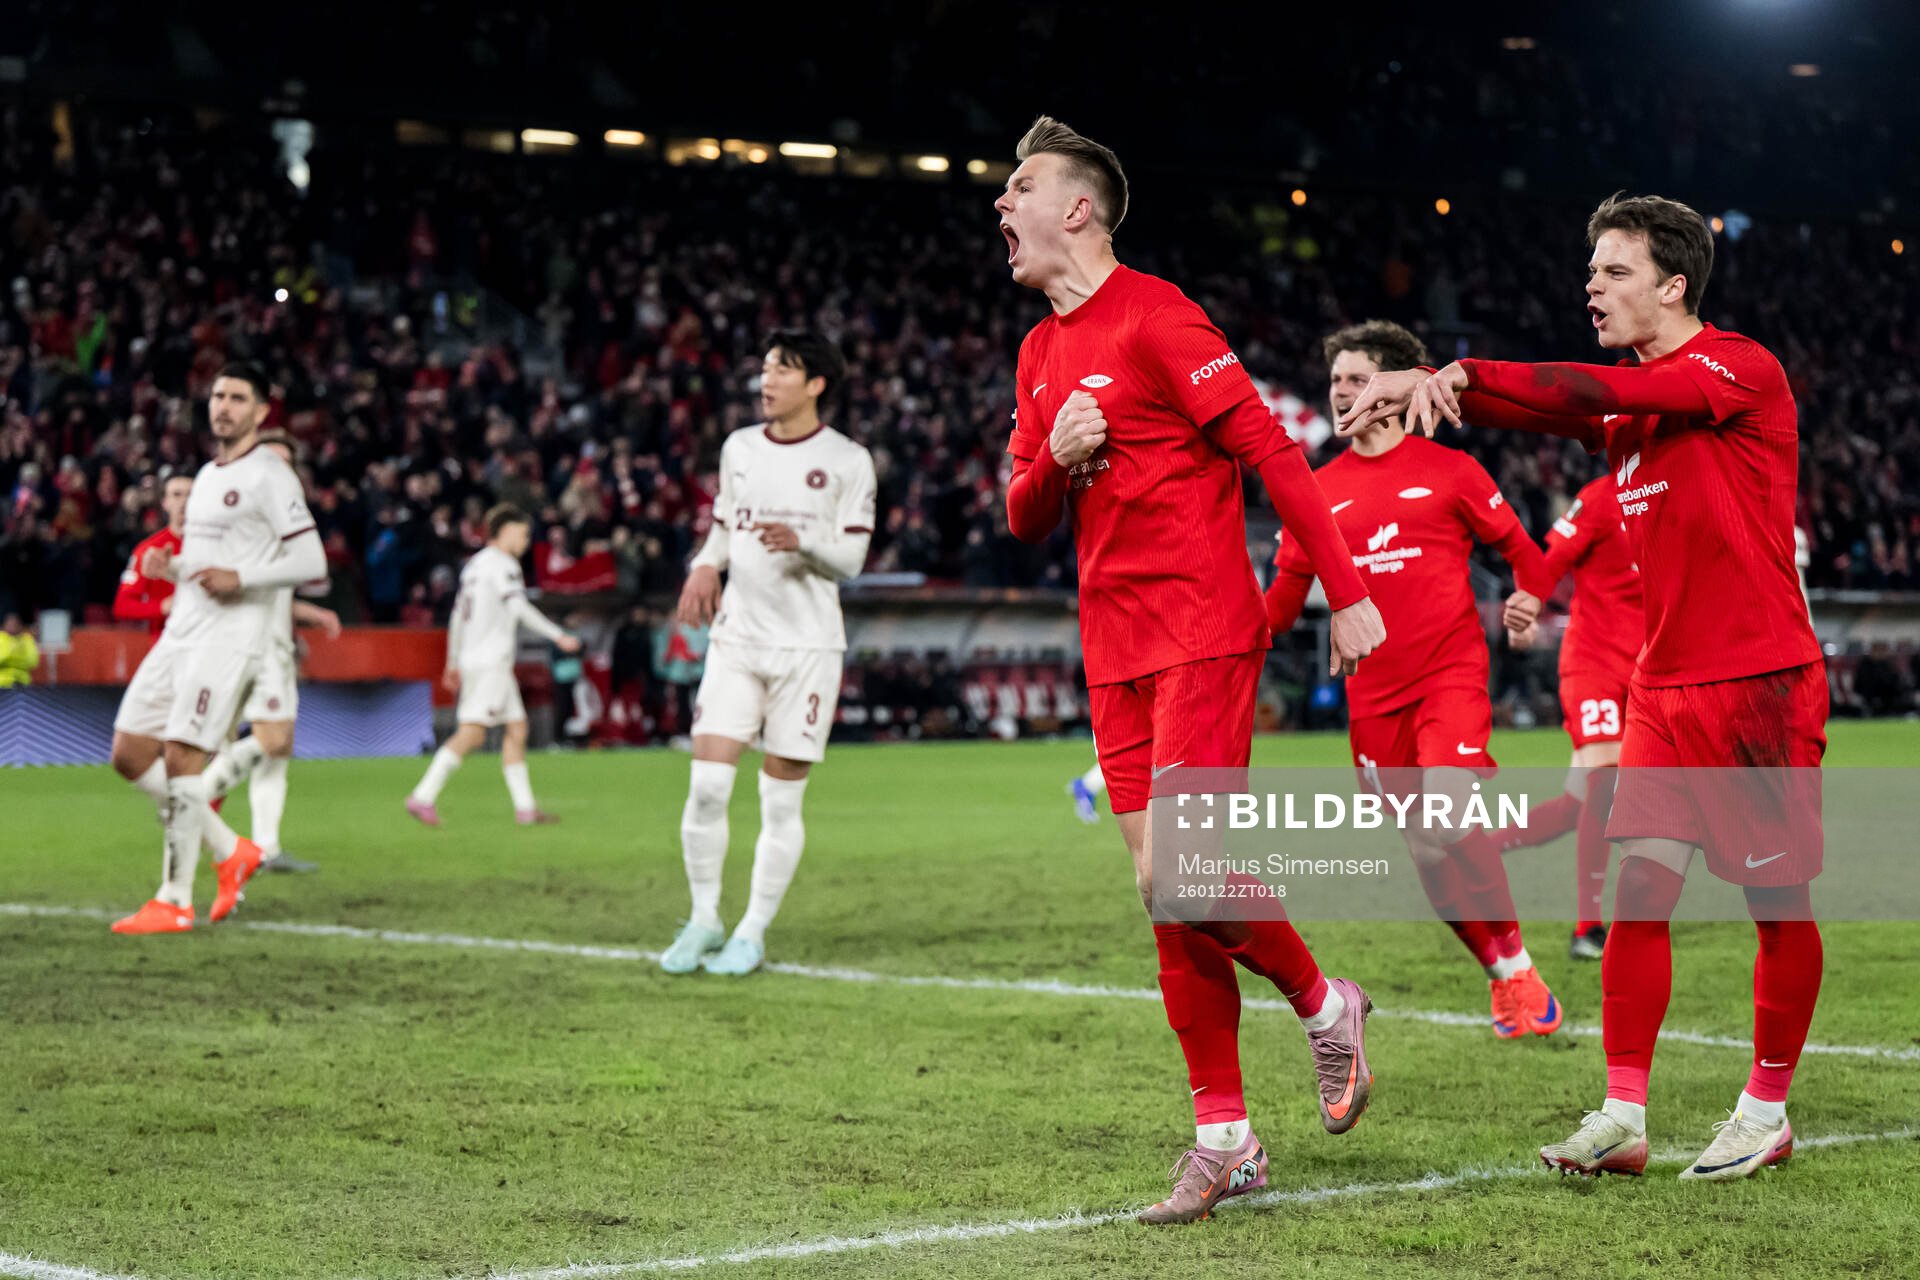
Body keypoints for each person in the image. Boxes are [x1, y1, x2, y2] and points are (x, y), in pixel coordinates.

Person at [1339, 193, 1825, 1181]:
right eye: (1591, 269)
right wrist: (1436, 388)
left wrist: (1468, 372)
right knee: (1639, 896)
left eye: (1613, 271)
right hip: (1662, 684)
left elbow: (1572, 388)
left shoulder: (1738, 369)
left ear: (1673, 284)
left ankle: (1766, 1108)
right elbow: (1560, 402)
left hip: (1758, 680)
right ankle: (1624, 1111)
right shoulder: (1632, 415)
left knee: (1778, 905)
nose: (1591, 285)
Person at [997, 116, 1387, 1224]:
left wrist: (1347, 591)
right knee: (1165, 896)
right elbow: (1022, 513)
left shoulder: (1160, 316)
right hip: (1111, 646)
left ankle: (1324, 1002)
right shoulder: (1036, 353)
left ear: (1077, 207)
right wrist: (1058, 459)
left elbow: (1269, 448)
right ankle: (1227, 1136)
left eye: (1018, 187)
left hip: (1204, 630)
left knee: (1183, 875)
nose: (1000, 206)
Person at [1267, 321, 1562, 1038]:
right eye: (1334, 379)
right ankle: (1500, 976)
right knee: (1427, 850)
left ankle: (1518, 961)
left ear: (1397, 386)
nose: (1340, 391)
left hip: (1450, 677)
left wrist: (1529, 598)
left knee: (1449, 809)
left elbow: (1530, 557)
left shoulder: (1452, 471)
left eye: (1355, 377)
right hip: (1373, 701)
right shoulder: (1314, 490)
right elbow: (1277, 607)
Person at [662, 331, 877, 978]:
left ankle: (751, 931)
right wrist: (705, 565)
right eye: (764, 369)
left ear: (816, 384)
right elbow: (724, 526)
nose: (767, 380)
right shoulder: (739, 449)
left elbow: (852, 558)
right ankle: (704, 918)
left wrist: (804, 542)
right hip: (737, 639)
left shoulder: (848, 460)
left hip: (808, 648)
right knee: (706, 786)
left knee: (779, 803)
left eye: (782, 370)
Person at [108, 363, 325, 934]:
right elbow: (205, 566)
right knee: (129, 754)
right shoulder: (206, 475)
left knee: (183, 753)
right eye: (217, 396)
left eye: (237, 398)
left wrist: (243, 577)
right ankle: (231, 849)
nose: (223, 406)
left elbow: (312, 561)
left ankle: (175, 900)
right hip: (184, 628)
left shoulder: (270, 476)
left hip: (234, 635)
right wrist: (171, 565)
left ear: (260, 411)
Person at [1483, 469, 1645, 959]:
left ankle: (1480, 850)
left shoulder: (1676, 498)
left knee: (1577, 808)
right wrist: (1526, 609)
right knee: (1606, 783)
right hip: (1594, 662)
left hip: (1650, 669)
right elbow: (1548, 561)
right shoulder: (1599, 500)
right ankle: (1588, 928)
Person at [202, 431, 340, 874]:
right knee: (269, 738)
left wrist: (310, 615)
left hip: (274, 643)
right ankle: (189, 801)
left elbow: (274, 592)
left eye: (284, 465)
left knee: (279, 746)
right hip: (243, 642)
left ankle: (266, 847)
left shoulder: (285, 529)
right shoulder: (240, 525)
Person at [405, 504, 582, 826]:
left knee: (517, 728)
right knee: (472, 734)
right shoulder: (503, 565)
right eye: (524, 533)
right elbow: (517, 606)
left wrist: (453, 661)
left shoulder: (473, 566)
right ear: (508, 530)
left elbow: (459, 617)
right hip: (491, 663)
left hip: (478, 659)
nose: (526, 541)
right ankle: (422, 796)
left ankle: (526, 809)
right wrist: (558, 636)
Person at [112, 473, 193, 635]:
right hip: (167, 647)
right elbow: (122, 605)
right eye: (176, 494)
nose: (184, 501)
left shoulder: (215, 545)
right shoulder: (149, 549)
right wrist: (163, 606)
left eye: (191, 494)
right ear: (165, 502)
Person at [0, 612, 37, 687]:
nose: (13, 627)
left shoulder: (27, 639)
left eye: (15, 624)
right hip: (2, 682)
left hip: (23, 681)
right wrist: (12, 647)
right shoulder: (1, 638)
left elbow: (33, 662)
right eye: (9, 624)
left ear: (20, 626)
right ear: (4, 626)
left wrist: (10, 659)